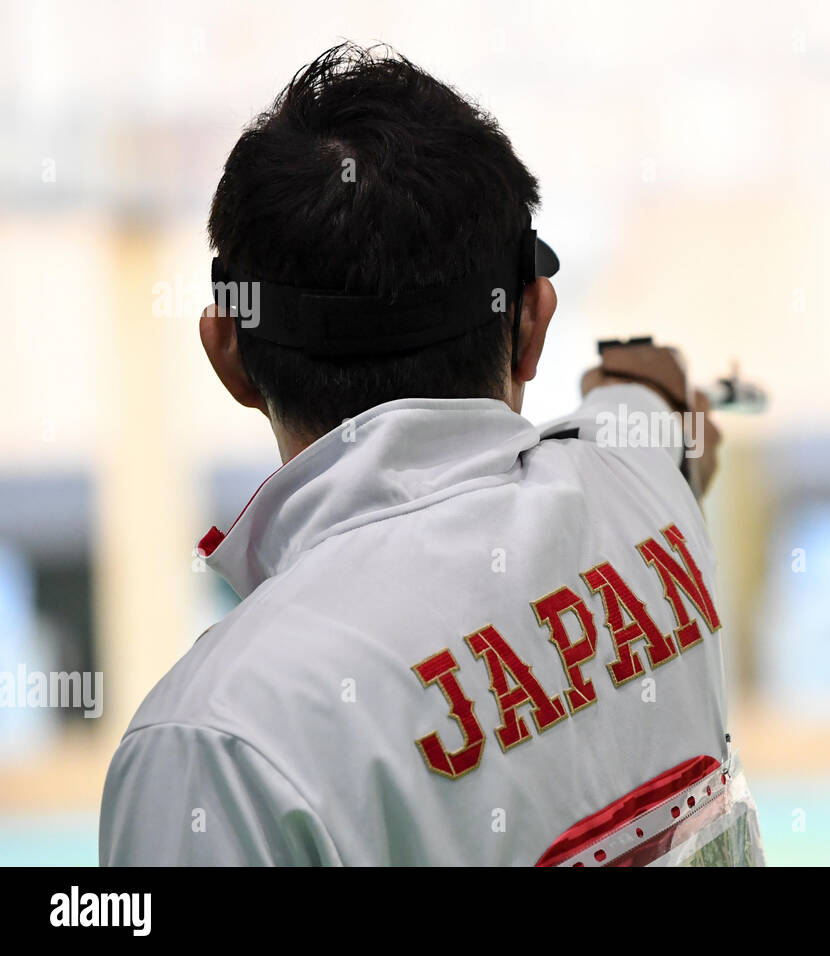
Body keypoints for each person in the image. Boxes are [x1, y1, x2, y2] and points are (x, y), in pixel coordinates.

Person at [98, 41, 762, 866]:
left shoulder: (217, 741)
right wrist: (664, 399)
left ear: (227, 350)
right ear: (533, 323)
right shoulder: (637, 477)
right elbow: (656, 399)